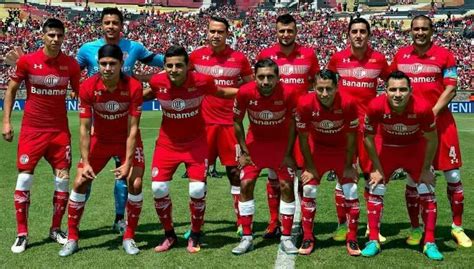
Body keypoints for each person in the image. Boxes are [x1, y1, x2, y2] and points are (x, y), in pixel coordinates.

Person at [76, 7, 164, 234]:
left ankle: (119, 220)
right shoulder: (87, 49)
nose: (111, 26)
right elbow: (68, 73)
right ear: (101, 25)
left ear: (122, 26)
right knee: (85, 177)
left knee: (125, 177)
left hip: (126, 126)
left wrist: (185, 59)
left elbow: (161, 61)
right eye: (107, 22)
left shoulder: (134, 47)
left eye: (115, 22)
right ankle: (74, 225)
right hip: (99, 126)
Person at [144, 46, 238, 254]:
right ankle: (169, 234)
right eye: (169, 66)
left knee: (196, 190)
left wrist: (250, 91)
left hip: (196, 144)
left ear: (188, 66)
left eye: (179, 65)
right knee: (158, 189)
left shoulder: (202, 81)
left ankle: (195, 235)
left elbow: (222, 92)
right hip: (167, 145)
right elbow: (145, 95)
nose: (174, 69)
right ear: (164, 67)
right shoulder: (157, 82)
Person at [390, 15, 471, 248]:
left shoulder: (445, 55)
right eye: (416, 29)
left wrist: (431, 114)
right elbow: (394, 87)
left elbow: (451, 89)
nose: (420, 32)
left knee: (453, 176)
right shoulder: (400, 56)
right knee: (412, 178)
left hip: (442, 124)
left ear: (431, 30)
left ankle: (457, 227)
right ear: (411, 31)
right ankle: (416, 228)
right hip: (412, 129)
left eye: (424, 28)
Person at [2, 18, 80, 253]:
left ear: (64, 37)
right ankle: (22, 234)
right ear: (43, 36)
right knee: (24, 179)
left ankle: (55, 229)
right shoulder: (27, 61)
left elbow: (80, 93)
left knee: (63, 179)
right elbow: (11, 90)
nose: (55, 40)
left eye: (59, 36)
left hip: (59, 133)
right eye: (51, 35)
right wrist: (6, 121)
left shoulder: (71, 65)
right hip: (32, 131)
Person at [59, 44, 144, 257]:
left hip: (126, 141)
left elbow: (133, 128)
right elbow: (85, 128)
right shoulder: (88, 86)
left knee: (135, 182)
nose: (107, 68)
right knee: (79, 181)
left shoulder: (134, 86)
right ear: (98, 64)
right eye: (103, 64)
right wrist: (85, 161)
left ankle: (129, 236)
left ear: (121, 65)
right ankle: (72, 238)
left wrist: (127, 163)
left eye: (112, 64)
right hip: (101, 140)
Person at [361, 71, 441, 260]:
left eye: (403, 90)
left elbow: (432, 139)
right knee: (376, 187)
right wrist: (377, 168)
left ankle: (429, 241)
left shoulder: (422, 108)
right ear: (385, 91)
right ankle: (373, 239)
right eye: (393, 89)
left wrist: (426, 169)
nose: (398, 94)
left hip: (414, 148)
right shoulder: (375, 106)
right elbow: (368, 138)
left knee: (426, 188)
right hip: (387, 148)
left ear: (410, 91)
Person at [186, 16, 253, 237]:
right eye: (212, 31)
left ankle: (239, 220)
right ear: (207, 32)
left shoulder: (239, 59)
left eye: (220, 32)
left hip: (229, 125)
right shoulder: (195, 56)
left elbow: (250, 86)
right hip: (202, 126)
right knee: (199, 174)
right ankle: (197, 224)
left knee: (234, 172)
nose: (216, 35)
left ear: (227, 34)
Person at [257, 13, 320, 239]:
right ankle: (274, 222)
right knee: (274, 175)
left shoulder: (309, 55)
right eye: (282, 31)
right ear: (276, 31)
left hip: (302, 125)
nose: (286, 34)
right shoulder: (266, 55)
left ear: (296, 31)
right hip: (275, 124)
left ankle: (305, 221)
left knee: (303, 174)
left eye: (290, 30)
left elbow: (316, 82)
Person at [327, 18, 389, 243]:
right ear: (348, 34)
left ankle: (374, 227)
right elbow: (326, 87)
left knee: (374, 177)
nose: (359, 35)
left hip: (371, 130)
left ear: (369, 34)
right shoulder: (337, 59)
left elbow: (392, 86)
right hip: (344, 128)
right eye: (354, 31)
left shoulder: (379, 60)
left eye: (363, 31)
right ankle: (342, 224)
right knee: (343, 177)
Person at [231, 58, 298, 255]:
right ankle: (247, 237)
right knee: (245, 184)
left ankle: (286, 237)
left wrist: (288, 153)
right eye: (261, 77)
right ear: (254, 77)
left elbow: (295, 123)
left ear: (278, 78)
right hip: (256, 144)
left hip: (280, 145)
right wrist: (244, 150)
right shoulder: (244, 92)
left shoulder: (289, 93)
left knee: (286, 185)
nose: (265, 81)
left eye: (270, 77)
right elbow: (236, 121)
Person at [296, 70, 360, 256]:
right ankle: (308, 236)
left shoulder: (348, 103)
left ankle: (352, 238)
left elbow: (351, 137)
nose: (324, 94)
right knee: (309, 189)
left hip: (342, 151)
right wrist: (310, 167)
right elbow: (303, 138)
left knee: (352, 190)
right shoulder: (305, 103)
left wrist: (349, 165)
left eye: (329, 89)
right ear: (314, 87)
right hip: (318, 151)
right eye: (320, 89)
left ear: (336, 88)